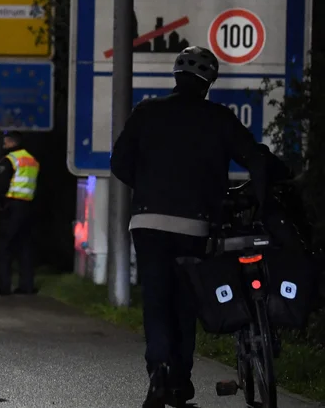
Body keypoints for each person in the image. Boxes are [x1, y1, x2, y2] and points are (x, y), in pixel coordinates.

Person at [110, 45, 268, 408]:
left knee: (155, 298)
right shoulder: (219, 118)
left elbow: (119, 162)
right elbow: (255, 157)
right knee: (185, 300)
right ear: (209, 81)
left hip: (148, 220)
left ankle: (159, 368)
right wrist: (261, 197)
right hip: (194, 225)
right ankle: (179, 380)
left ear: (176, 76)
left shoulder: (147, 113)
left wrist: (147, 185)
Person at [0, 131, 40, 296]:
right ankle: (27, 286)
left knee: (4, 247)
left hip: (12, 206)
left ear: (10, 142)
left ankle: (4, 286)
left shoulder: (10, 160)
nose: (4, 145)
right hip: (28, 206)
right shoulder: (32, 160)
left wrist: (0, 202)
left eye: (5, 142)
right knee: (25, 247)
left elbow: (2, 185)